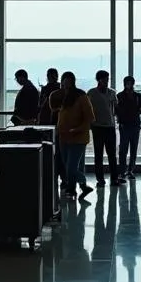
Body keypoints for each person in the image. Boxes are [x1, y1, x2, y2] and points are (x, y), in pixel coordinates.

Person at [54, 71, 94, 200]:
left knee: (71, 167)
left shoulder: (81, 96)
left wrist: (77, 129)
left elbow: (89, 117)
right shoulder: (63, 97)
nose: (65, 84)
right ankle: (73, 189)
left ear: (72, 81)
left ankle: (83, 183)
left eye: (67, 81)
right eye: (63, 81)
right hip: (64, 136)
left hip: (78, 137)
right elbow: (52, 106)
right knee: (68, 166)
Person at [87, 70, 124, 188]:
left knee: (112, 154)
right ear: (99, 80)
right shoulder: (91, 93)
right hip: (97, 127)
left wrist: (119, 120)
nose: (106, 82)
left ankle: (114, 178)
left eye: (107, 79)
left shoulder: (112, 93)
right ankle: (100, 179)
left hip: (109, 127)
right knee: (98, 154)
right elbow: (88, 109)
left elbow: (116, 108)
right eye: (104, 80)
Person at [116, 75, 141, 178]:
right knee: (123, 149)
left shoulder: (137, 96)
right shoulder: (119, 96)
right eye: (127, 83)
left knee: (133, 148)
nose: (129, 85)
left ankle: (130, 170)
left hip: (134, 125)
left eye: (130, 83)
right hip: (125, 125)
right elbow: (116, 110)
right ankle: (122, 171)